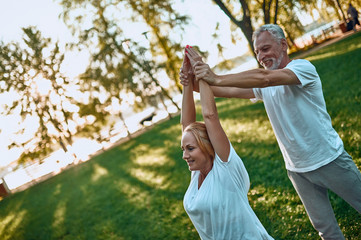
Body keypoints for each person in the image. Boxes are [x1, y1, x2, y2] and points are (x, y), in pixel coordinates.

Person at [182, 24, 361, 240]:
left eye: (265, 49)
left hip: (329, 159)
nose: (261, 56)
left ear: (283, 45)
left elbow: (265, 78)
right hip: (298, 171)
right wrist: (191, 79)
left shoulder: (302, 69)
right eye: (257, 51)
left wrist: (214, 77)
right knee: (326, 230)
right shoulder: (262, 87)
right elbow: (223, 90)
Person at [179, 45, 273, 240]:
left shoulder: (225, 167)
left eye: (190, 149)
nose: (184, 155)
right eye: (184, 149)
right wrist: (187, 81)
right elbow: (187, 124)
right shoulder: (197, 174)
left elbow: (210, 115)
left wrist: (201, 70)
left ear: (207, 146)